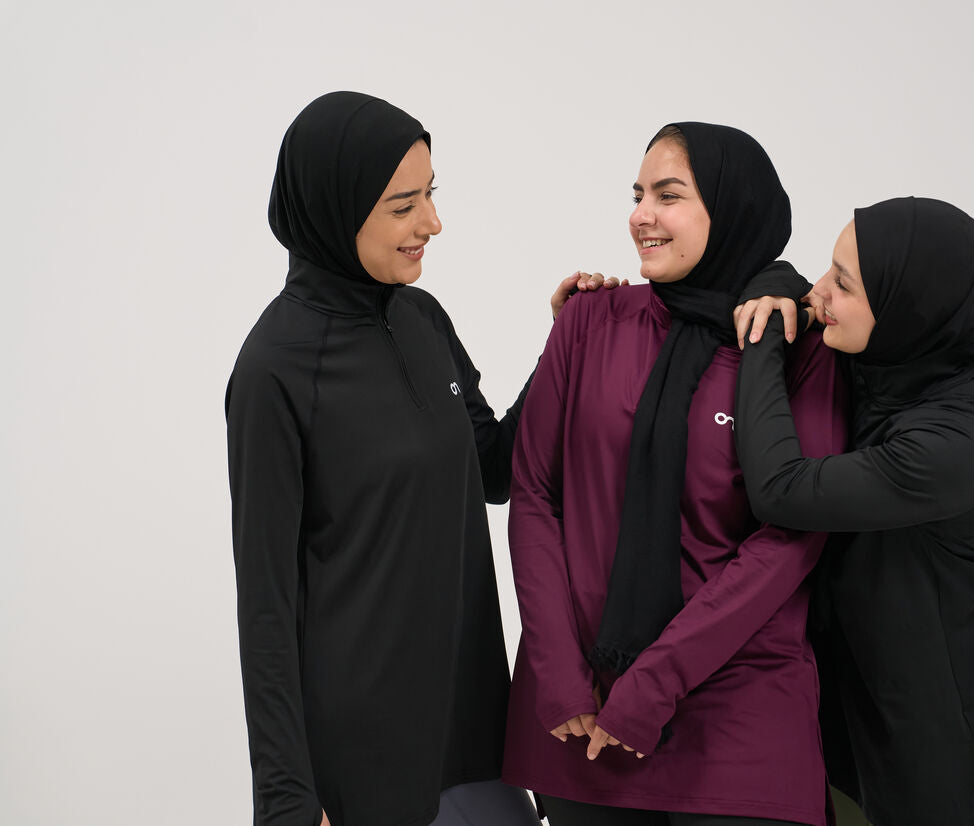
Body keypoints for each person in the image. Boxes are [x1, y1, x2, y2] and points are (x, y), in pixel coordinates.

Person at [226, 91, 607, 826]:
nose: (432, 222)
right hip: (362, 760)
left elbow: (495, 467)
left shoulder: (422, 319)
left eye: (431, 194)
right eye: (404, 206)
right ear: (336, 210)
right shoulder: (274, 369)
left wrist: (564, 347)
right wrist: (286, 799)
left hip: (473, 729)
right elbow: (265, 605)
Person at [502, 122, 849, 826]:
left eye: (668, 195)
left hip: (737, 719)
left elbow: (792, 537)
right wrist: (556, 673)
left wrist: (653, 684)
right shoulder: (587, 321)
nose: (641, 215)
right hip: (583, 714)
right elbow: (534, 494)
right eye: (636, 195)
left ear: (731, 208)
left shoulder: (794, 346)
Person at [732, 197, 974, 826]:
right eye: (829, 270)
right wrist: (774, 285)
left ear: (906, 307)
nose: (820, 292)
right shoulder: (881, 359)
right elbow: (784, 279)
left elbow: (780, 489)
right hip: (856, 718)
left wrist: (762, 340)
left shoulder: (958, 438)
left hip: (951, 729)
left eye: (844, 283)